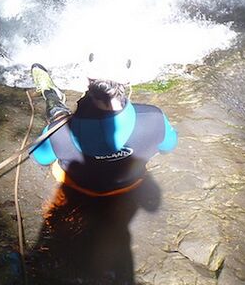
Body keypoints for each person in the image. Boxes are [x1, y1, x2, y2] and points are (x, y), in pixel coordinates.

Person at [29, 57, 177, 197]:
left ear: (87, 81)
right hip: (131, 184)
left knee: (59, 117)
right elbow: (168, 147)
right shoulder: (154, 117)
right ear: (127, 81)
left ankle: (52, 97)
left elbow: (40, 158)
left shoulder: (58, 132)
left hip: (79, 188)